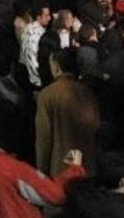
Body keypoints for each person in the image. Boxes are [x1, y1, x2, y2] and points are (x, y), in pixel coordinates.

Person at [34, 47, 100, 179]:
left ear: (57, 68)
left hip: (61, 168)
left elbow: (44, 139)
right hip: (88, 166)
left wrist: (41, 172)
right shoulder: (88, 92)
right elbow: (96, 129)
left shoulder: (48, 94)